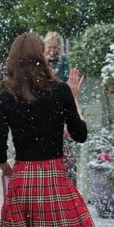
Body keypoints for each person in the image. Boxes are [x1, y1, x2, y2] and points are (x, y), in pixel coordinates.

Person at [0, 33, 100, 227]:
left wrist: (7, 169)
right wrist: (75, 99)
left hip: (22, 183)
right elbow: (80, 135)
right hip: (55, 180)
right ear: (41, 57)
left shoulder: (6, 96)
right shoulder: (60, 91)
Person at [44, 31, 77, 186]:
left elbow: (64, 81)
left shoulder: (63, 61)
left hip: (60, 102)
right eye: (49, 47)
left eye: (55, 48)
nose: (52, 51)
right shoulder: (41, 61)